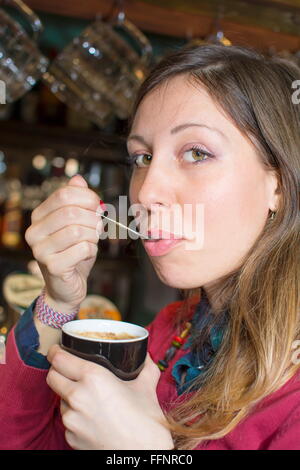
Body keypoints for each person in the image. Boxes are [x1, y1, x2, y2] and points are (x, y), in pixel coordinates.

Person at [0, 44, 299, 450]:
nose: (147, 190)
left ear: (278, 183)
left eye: (197, 152)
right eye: (142, 157)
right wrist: (59, 299)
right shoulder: (171, 331)